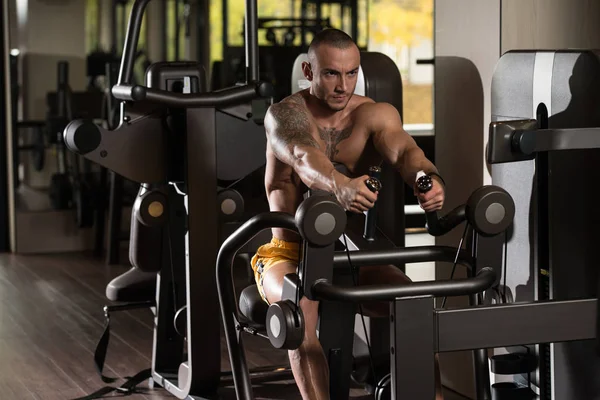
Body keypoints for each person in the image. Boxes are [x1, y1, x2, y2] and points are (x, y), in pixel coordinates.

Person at [250, 28, 446, 400]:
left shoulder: (373, 114)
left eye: (351, 73)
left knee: (415, 306)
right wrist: (338, 184)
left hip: (353, 257)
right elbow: (306, 157)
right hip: (290, 255)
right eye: (331, 74)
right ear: (308, 71)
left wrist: (426, 179)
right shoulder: (285, 116)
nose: (343, 85)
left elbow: (406, 153)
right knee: (296, 314)